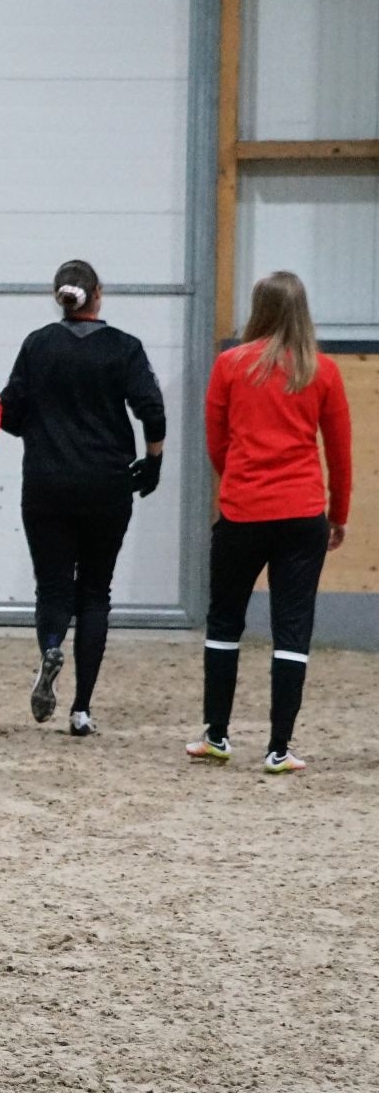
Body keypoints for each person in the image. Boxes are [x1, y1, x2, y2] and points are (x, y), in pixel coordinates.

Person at [189, 270, 351, 773]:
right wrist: (338, 514)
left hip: (242, 511)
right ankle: (279, 748)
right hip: (302, 514)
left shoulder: (229, 366)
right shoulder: (323, 371)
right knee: (292, 629)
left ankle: (217, 735)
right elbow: (340, 453)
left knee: (224, 622)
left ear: (258, 309)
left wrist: (238, 480)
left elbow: (216, 440)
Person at [0, 260, 167, 736]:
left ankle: (52, 645)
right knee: (95, 590)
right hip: (106, 484)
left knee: (52, 587)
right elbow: (152, 410)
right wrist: (153, 460)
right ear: (98, 293)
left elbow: (7, 411)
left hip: (47, 482)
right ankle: (81, 709)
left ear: (59, 297)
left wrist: (41, 429)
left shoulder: (37, 345)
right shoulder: (124, 347)